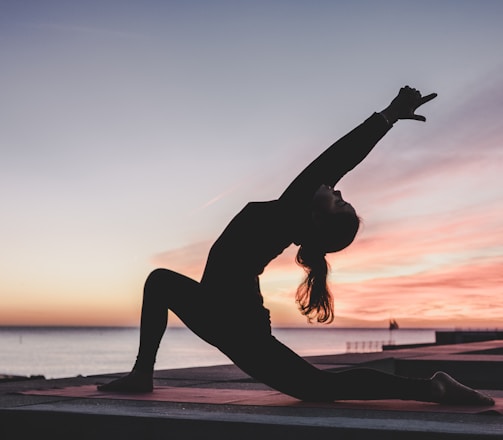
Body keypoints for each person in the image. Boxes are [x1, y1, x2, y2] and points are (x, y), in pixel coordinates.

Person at [98, 86, 494, 406]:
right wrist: (388, 116)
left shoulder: (291, 212)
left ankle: (431, 388)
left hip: (236, 324)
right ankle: (142, 373)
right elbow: (335, 166)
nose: (336, 189)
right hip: (218, 311)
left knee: (318, 389)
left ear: (318, 220)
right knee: (160, 281)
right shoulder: (290, 217)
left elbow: (338, 158)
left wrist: (388, 116)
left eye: (339, 201)